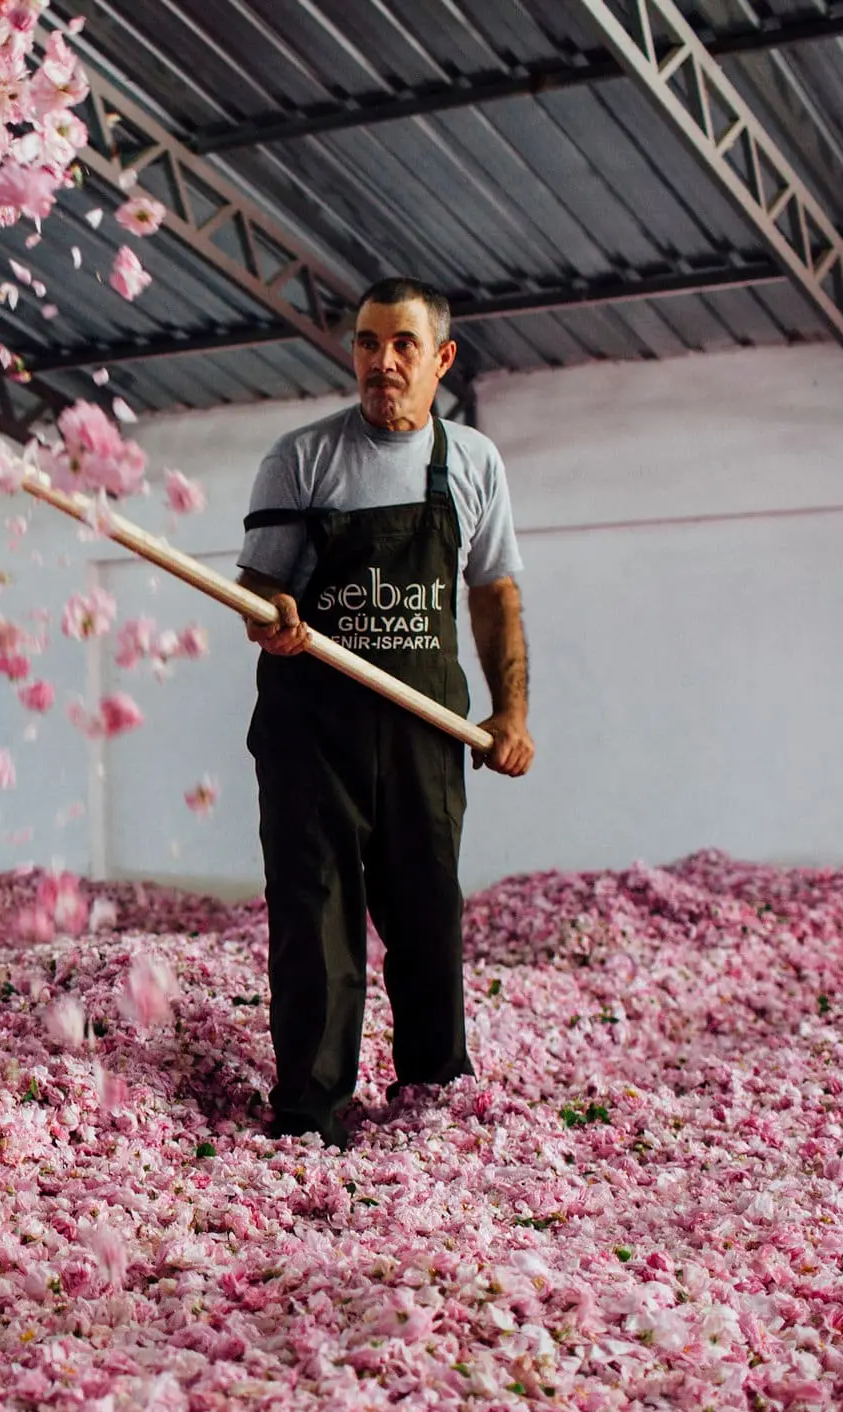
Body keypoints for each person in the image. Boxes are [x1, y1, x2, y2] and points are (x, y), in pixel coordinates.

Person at [238, 277, 534, 1148]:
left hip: (423, 731)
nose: (383, 362)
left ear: (441, 359)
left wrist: (510, 712)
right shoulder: (301, 457)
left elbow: (493, 593)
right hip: (311, 734)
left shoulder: (472, 462)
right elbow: (257, 587)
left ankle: (435, 1093)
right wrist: (271, 619)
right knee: (315, 921)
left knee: (429, 917)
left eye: (403, 344)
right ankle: (309, 1111)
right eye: (368, 344)